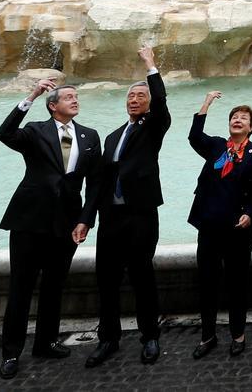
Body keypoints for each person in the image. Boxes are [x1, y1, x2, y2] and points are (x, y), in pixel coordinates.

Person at [0, 79, 101, 380]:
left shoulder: (90, 136)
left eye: (77, 96)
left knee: (54, 286)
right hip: (30, 219)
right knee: (21, 288)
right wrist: (31, 96)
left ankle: (45, 343)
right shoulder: (34, 131)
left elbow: (95, 183)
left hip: (67, 222)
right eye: (68, 97)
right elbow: (4, 134)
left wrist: (86, 218)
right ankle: (11, 353)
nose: (75, 100)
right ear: (53, 105)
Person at [86, 46, 171, 368]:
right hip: (111, 217)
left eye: (140, 95)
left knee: (142, 276)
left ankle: (150, 336)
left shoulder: (153, 128)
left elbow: (162, 104)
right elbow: (99, 181)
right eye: (130, 97)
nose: (134, 100)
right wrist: (87, 218)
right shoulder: (112, 136)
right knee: (105, 279)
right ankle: (108, 338)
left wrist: (150, 66)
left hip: (140, 213)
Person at [186, 92, 252, 361]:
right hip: (209, 225)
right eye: (234, 117)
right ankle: (207, 335)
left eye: (243, 118)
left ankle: (238, 335)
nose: (238, 120)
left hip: (238, 229)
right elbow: (194, 137)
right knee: (207, 283)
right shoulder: (218, 146)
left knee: (237, 284)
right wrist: (206, 103)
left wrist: (250, 213)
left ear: (251, 127)